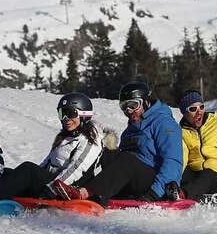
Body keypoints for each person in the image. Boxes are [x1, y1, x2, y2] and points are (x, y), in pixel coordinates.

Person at [53, 81, 183, 204]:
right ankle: (79, 186)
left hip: (154, 183)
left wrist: (154, 193)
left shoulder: (164, 123)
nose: (129, 111)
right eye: (124, 107)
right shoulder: (132, 127)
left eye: (133, 105)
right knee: (105, 150)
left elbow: (173, 161)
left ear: (146, 102)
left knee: (128, 159)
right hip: (133, 181)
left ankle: (85, 193)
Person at [0, 92, 103, 200]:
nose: (65, 118)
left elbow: (76, 168)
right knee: (8, 173)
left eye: (71, 113)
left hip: (66, 188)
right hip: (53, 182)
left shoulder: (90, 139)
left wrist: (52, 189)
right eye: (61, 113)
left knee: (28, 169)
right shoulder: (65, 136)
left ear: (84, 115)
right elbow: (47, 163)